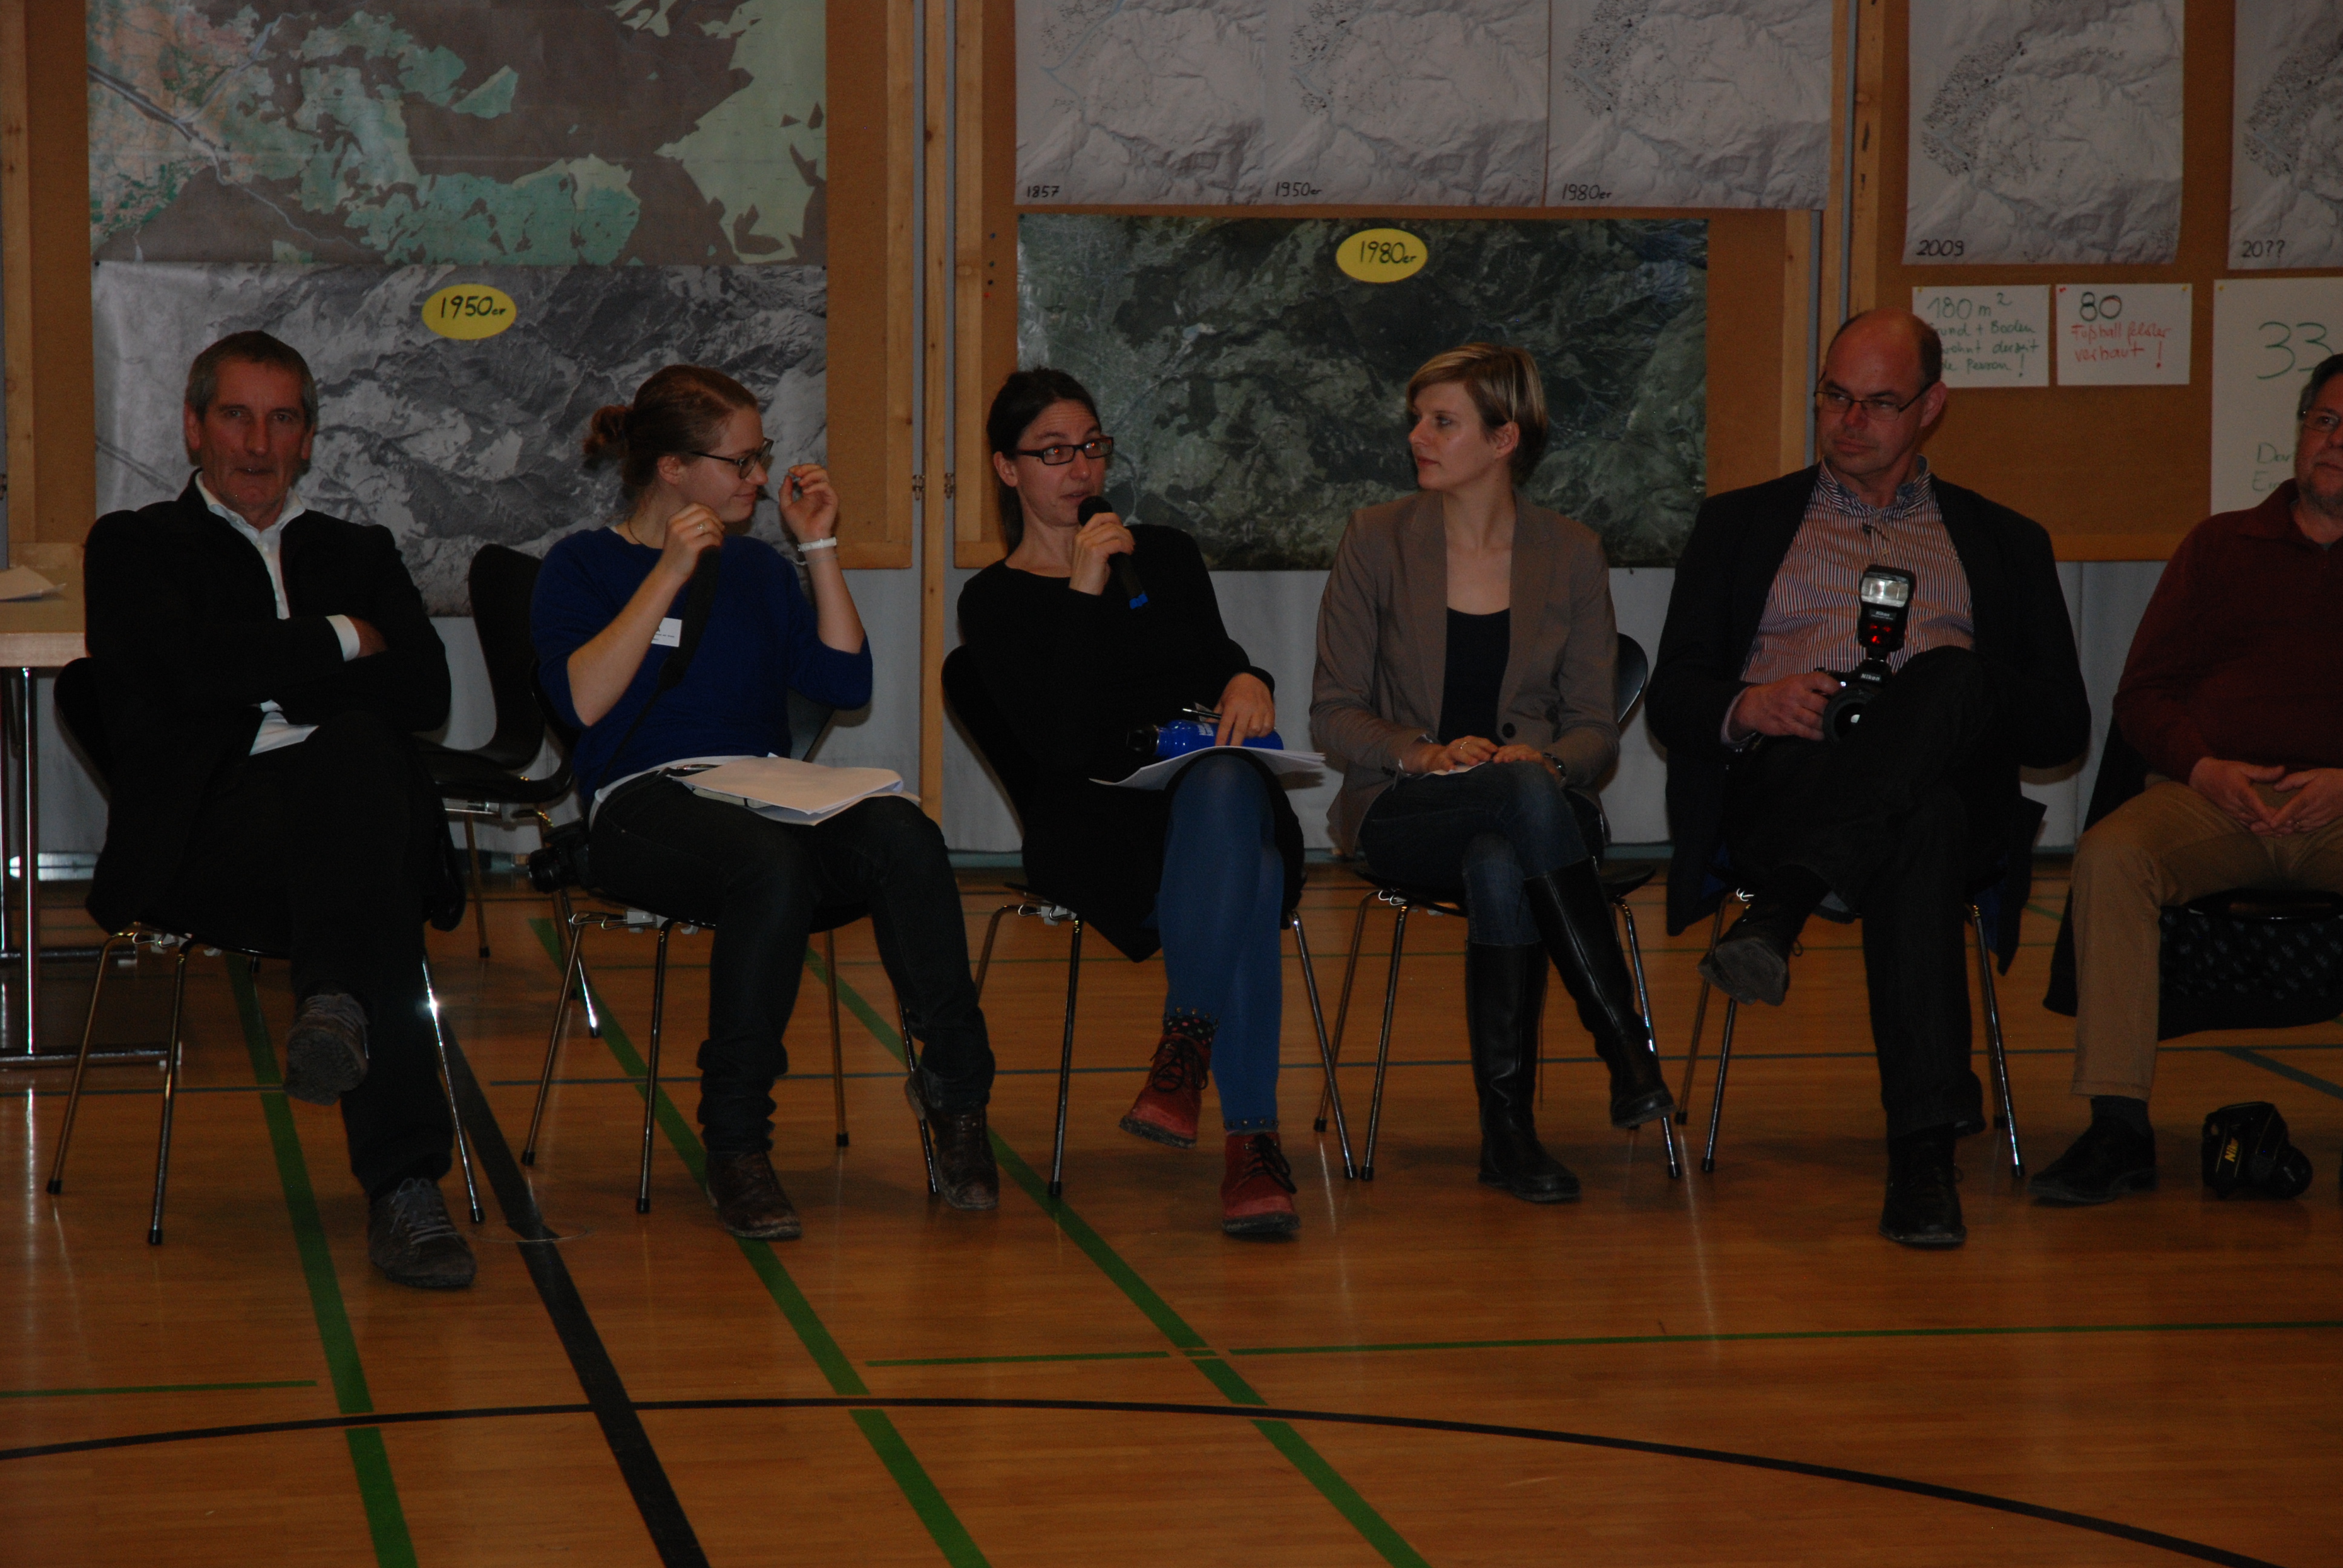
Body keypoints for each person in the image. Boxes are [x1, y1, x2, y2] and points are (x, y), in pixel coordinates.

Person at [1647, 308, 2088, 1248]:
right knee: (1918, 823)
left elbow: (2063, 724)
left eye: (1879, 402)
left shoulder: (2004, 541)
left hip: (1950, 790)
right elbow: (1673, 697)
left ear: (1931, 407)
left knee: (1947, 699)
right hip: (1790, 783)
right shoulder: (1740, 526)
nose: (1850, 421)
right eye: (1835, 396)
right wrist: (1750, 705)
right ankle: (1922, 1160)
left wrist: (1957, 693)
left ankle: (1781, 914)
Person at [531, 365, 998, 1236]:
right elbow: (583, 703)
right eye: (740, 462)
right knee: (769, 867)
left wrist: (818, 547)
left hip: (761, 789)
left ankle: (956, 1094)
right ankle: (737, 1139)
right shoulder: (583, 564)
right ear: (674, 469)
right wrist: (668, 572)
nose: (759, 477)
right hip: (643, 803)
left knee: (902, 832)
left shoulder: (758, 568)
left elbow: (845, 683)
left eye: (762, 456)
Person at [82, 331, 474, 1289]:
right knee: (372, 866)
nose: (258, 444)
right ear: (193, 428)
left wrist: (260, 676)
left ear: (307, 437)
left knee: (359, 760)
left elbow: (424, 692)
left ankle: (334, 1005)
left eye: (282, 419)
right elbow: (179, 669)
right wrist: (342, 638)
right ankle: (405, 1188)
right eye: (236, 417)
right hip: (216, 836)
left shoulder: (360, 550)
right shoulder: (135, 546)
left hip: (353, 817)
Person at [1310, 342, 1673, 1203]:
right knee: (1515, 803)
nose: (1417, 437)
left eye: (1442, 423)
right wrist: (1422, 753)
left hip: (1537, 812)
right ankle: (1623, 1042)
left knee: (1505, 847)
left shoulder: (1571, 552)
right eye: (1417, 420)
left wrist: (1547, 760)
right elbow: (1334, 712)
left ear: (1504, 439)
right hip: (1407, 809)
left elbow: (1594, 732)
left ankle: (1509, 1134)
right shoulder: (1375, 539)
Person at [957, 368, 1306, 1237]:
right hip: (1095, 823)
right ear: (1007, 468)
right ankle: (1251, 1143)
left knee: (1227, 785)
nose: (1080, 469)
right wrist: (1082, 587)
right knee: (1253, 872)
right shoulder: (993, 600)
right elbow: (1057, 742)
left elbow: (1218, 659)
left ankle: (1183, 1055)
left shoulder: (1165, 554)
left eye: (1092, 447)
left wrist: (1249, 678)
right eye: (1054, 453)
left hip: (1205, 793)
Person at [2032, 353, 2343, 1204]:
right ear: (2300, 432)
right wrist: (2206, 771)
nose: (2334, 442)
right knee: (2111, 857)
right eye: (2324, 421)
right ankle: (2117, 1128)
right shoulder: (2219, 547)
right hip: (2214, 801)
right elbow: (2143, 695)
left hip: (2340, 806)